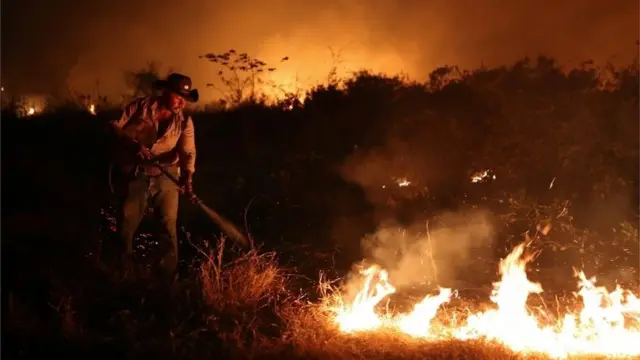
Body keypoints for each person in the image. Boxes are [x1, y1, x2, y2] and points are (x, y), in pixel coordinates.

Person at [108, 73, 199, 277]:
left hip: (167, 175)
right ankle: (123, 270)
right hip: (137, 172)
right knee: (127, 221)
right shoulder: (140, 107)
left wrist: (187, 177)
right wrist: (131, 144)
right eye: (177, 96)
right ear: (166, 92)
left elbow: (188, 152)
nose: (181, 102)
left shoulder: (184, 122)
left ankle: (166, 275)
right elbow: (115, 125)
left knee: (168, 225)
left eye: (184, 98)